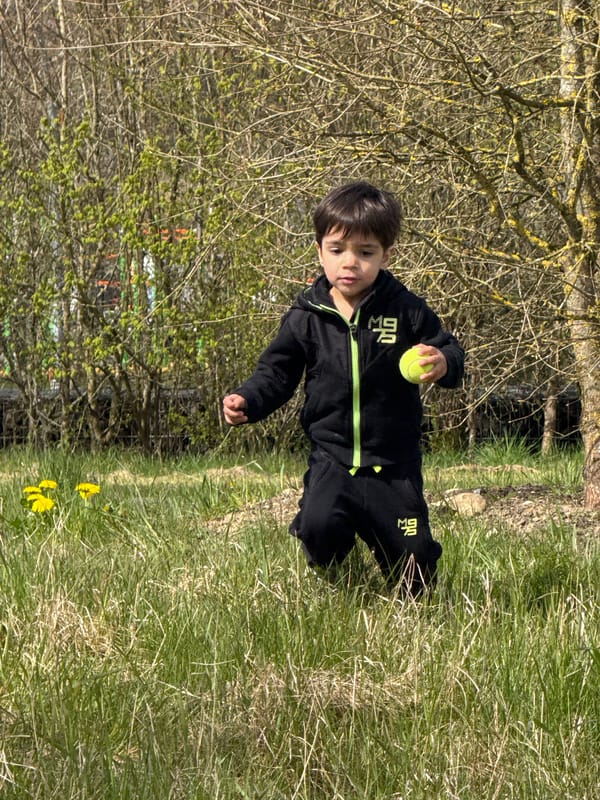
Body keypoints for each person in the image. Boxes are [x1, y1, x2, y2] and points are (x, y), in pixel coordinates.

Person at [223, 181, 464, 596]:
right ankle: (341, 579)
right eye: (337, 250)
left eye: (365, 253)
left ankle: (410, 589)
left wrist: (443, 363)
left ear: (386, 255)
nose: (349, 263)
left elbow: (449, 349)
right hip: (331, 458)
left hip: (394, 465)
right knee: (319, 528)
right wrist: (249, 400)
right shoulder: (306, 316)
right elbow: (277, 372)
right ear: (319, 251)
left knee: (414, 563)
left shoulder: (406, 310)